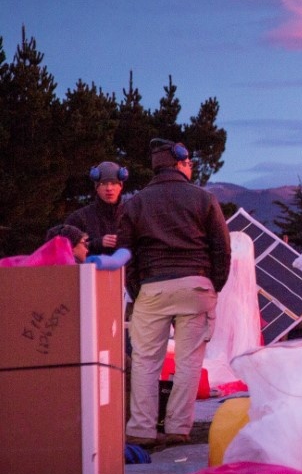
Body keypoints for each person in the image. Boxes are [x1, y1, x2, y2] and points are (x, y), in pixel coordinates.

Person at [117, 138, 231, 450]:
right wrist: (213, 284)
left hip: (153, 286)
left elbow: (126, 253)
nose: (191, 167)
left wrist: (138, 290)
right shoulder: (203, 198)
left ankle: (141, 429)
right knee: (189, 361)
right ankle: (178, 428)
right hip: (196, 285)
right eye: (189, 162)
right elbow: (222, 248)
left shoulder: (136, 203)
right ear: (179, 163)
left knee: (145, 361)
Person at [65, 160, 127, 257]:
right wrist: (96, 243)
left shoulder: (132, 214)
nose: (109, 188)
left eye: (114, 183)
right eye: (103, 184)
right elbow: (67, 249)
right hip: (91, 266)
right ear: (96, 187)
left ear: (121, 186)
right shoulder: (78, 218)